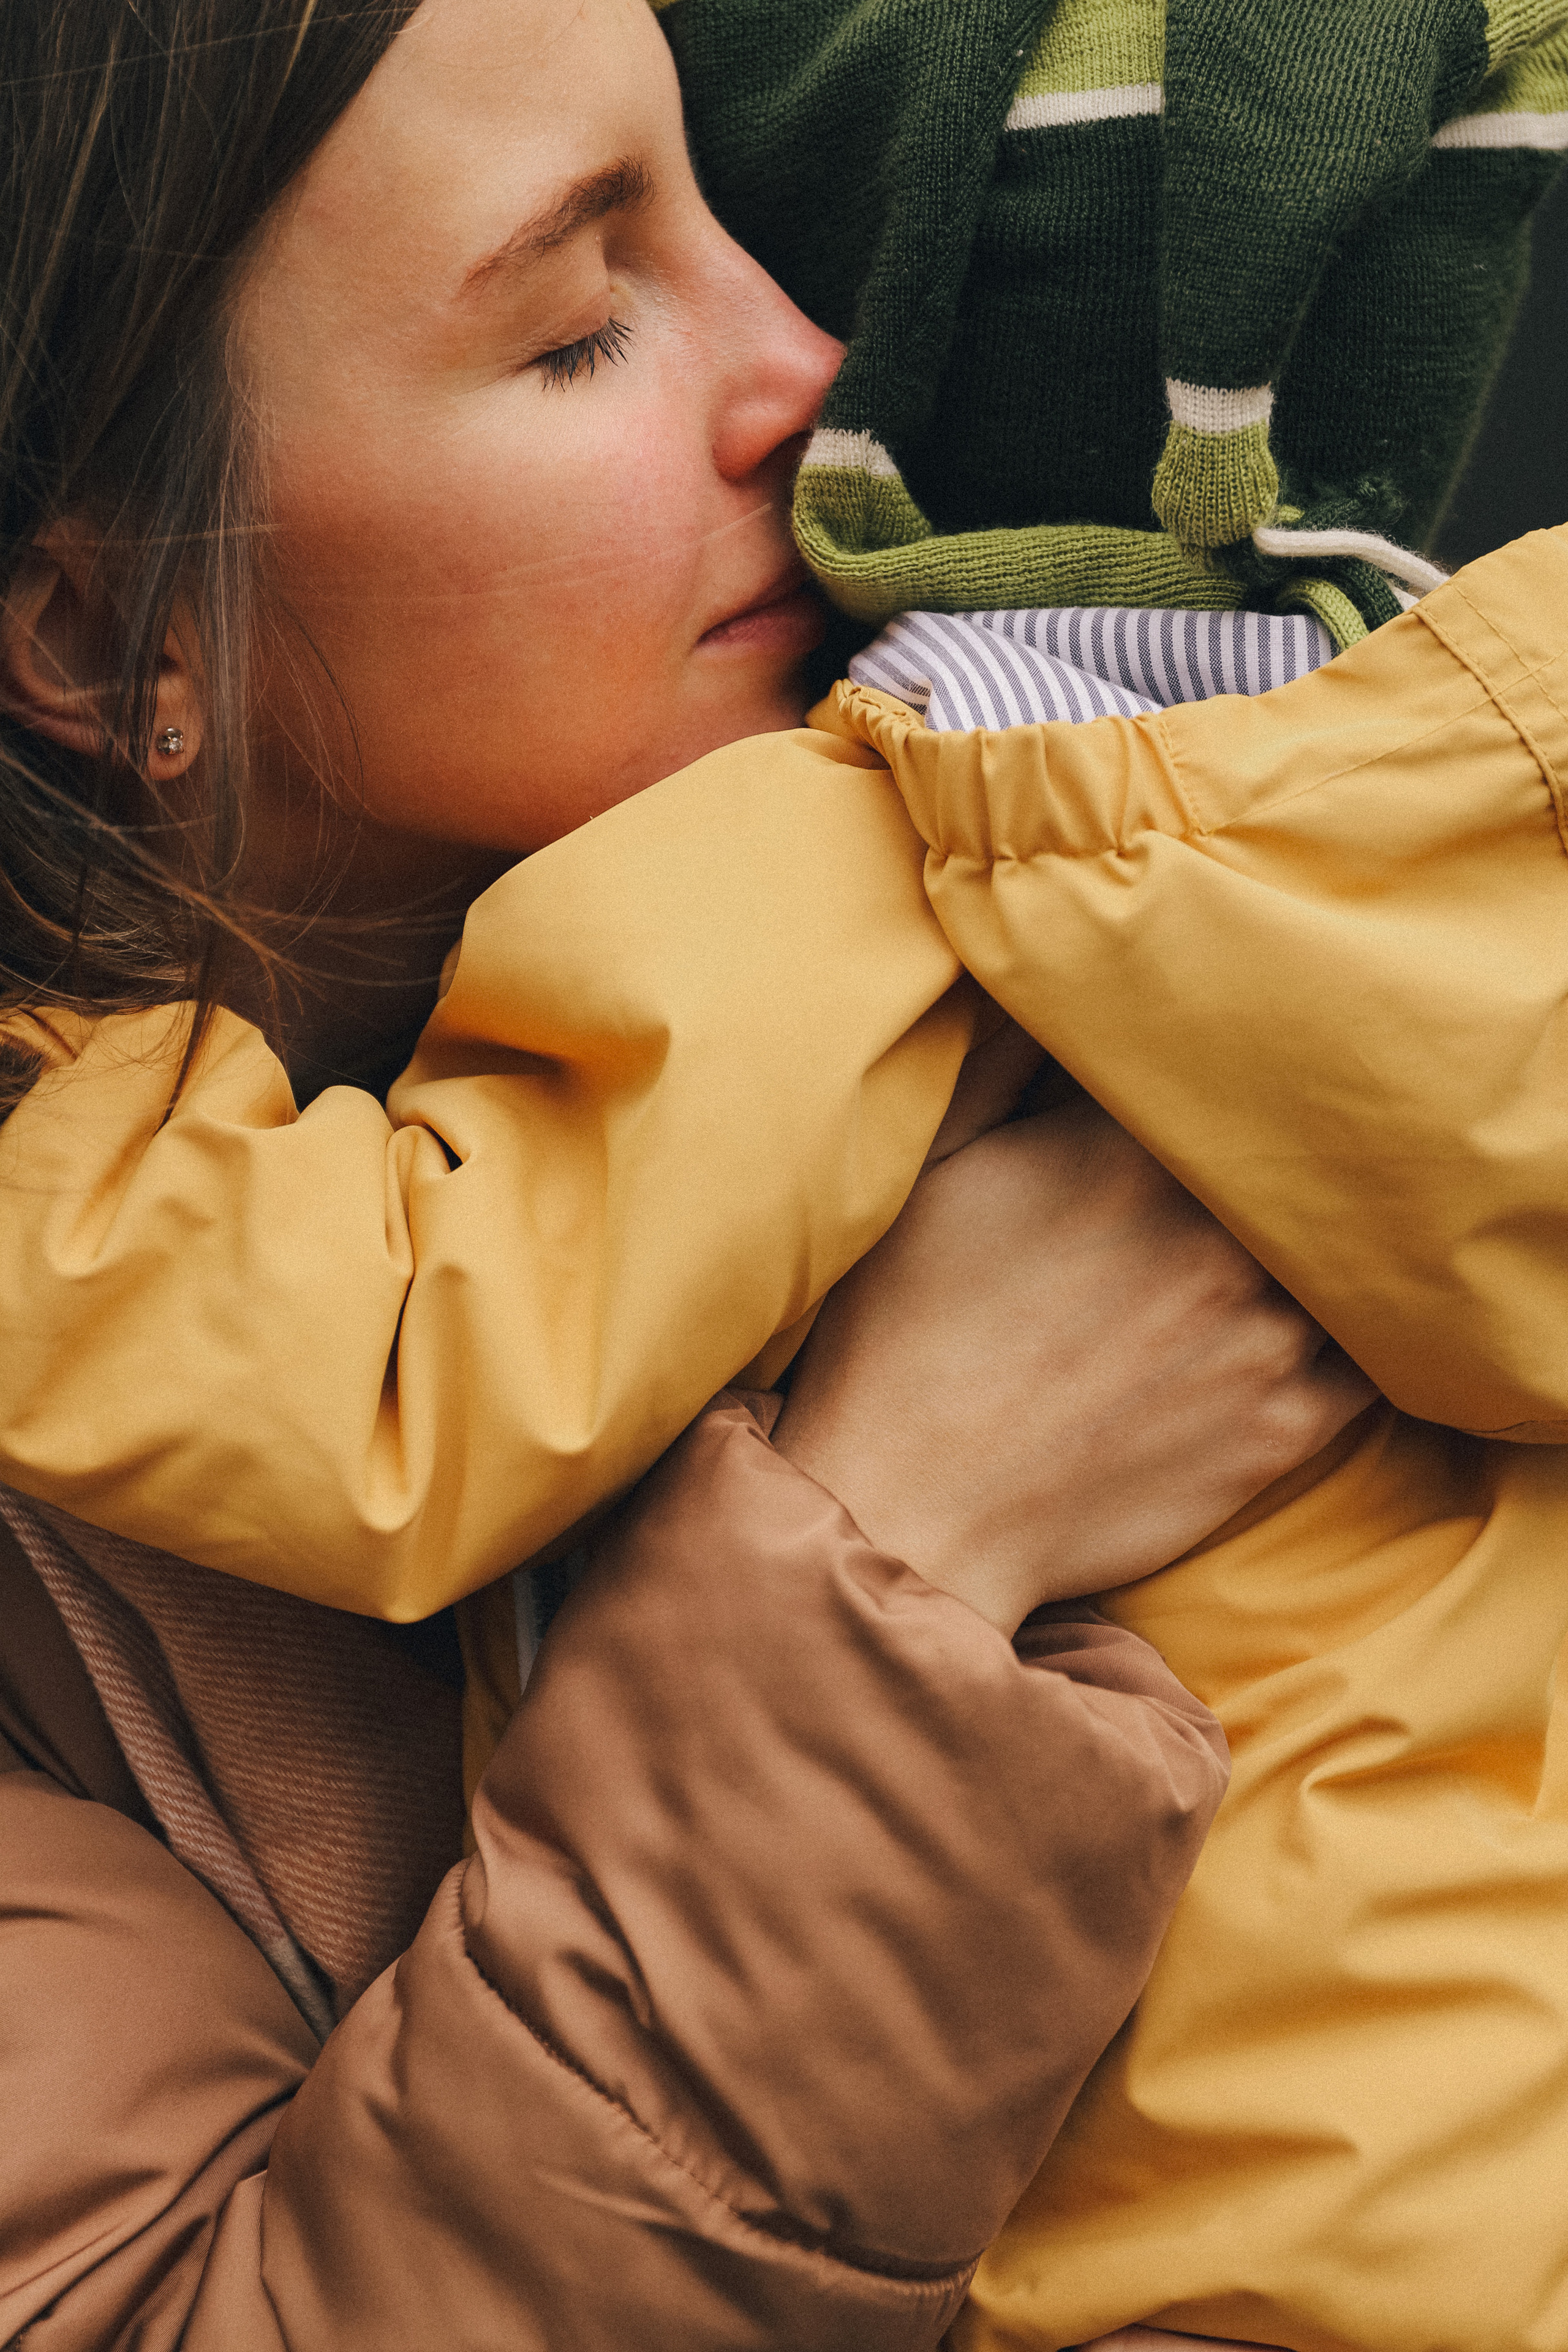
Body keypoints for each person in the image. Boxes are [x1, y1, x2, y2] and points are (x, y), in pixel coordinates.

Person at [0, 0, 1375, 2345]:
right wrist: (917, 1532)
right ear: (105, 625)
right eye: (572, 325)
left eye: (731, 208)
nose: (810, 365)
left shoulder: (1099, 843)